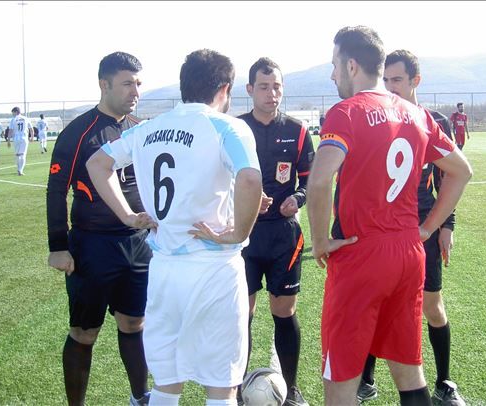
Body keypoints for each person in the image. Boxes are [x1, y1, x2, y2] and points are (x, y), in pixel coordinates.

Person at [87, 48, 263, 406]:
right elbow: (249, 178)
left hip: (164, 269)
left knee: (166, 382)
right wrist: (238, 233)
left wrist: (128, 216)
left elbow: (97, 163)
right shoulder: (227, 126)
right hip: (213, 268)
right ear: (224, 89)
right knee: (221, 386)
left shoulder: (147, 128)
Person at [307, 26, 472, 406]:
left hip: (361, 253)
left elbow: (319, 180)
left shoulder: (346, 112)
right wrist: (427, 228)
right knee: (409, 372)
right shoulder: (417, 114)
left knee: (341, 381)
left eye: (334, 65)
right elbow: (462, 171)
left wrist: (319, 240)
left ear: (351, 66)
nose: (332, 74)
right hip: (408, 253)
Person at [356, 49, 466, 406]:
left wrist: (444, 226)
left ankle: (444, 382)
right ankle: (367, 378)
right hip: (383, 227)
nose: (391, 87)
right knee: (377, 301)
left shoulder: (434, 121)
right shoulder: (379, 118)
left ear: (416, 81)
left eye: (398, 80)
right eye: (386, 80)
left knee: (432, 305)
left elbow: (451, 175)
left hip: (422, 226)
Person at [46, 51, 151, 406]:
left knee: (134, 324)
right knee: (84, 331)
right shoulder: (78, 133)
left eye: (138, 83)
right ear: (104, 85)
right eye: (127, 84)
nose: (135, 91)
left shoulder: (141, 130)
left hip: (138, 244)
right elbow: (56, 190)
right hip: (92, 247)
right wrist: (58, 245)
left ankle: (140, 396)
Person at [237, 57, 313, 406]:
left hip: (284, 237)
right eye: (264, 87)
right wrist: (247, 201)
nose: (272, 93)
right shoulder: (235, 129)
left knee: (284, 313)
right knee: (243, 315)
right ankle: (235, 390)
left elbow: (310, 181)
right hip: (244, 236)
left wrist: (297, 198)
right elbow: (219, 180)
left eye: (277, 86)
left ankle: (292, 389)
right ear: (250, 89)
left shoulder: (298, 130)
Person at [5, 106, 33, 175]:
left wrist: (8, 140)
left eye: (13, 113)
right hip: (24, 138)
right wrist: (32, 137)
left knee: (17, 155)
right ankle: (21, 170)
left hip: (16, 138)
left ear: (16, 112)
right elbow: (31, 129)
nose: (12, 114)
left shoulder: (13, 119)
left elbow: (10, 130)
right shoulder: (25, 118)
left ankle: (18, 169)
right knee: (23, 154)